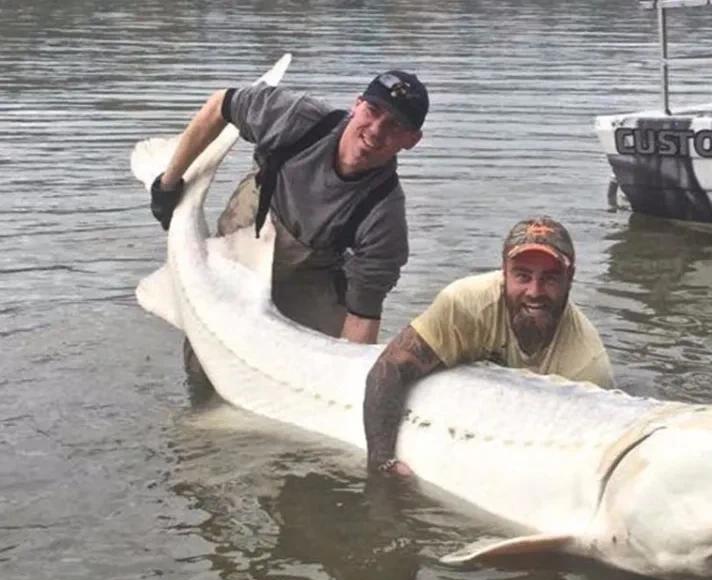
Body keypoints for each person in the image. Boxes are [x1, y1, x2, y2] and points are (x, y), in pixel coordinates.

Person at [149, 69, 429, 344]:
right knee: (210, 337)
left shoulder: (385, 219)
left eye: (395, 125)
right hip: (250, 225)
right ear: (356, 105)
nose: (376, 130)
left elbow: (363, 315)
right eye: (373, 111)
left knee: (322, 354)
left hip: (309, 272)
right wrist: (168, 183)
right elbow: (220, 104)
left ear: (412, 141)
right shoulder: (299, 117)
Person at [363, 216, 615, 475]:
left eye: (550, 278)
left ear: (570, 278)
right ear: (504, 272)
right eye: (523, 276)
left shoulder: (588, 365)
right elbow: (389, 368)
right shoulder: (465, 304)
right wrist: (382, 463)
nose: (534, 291)